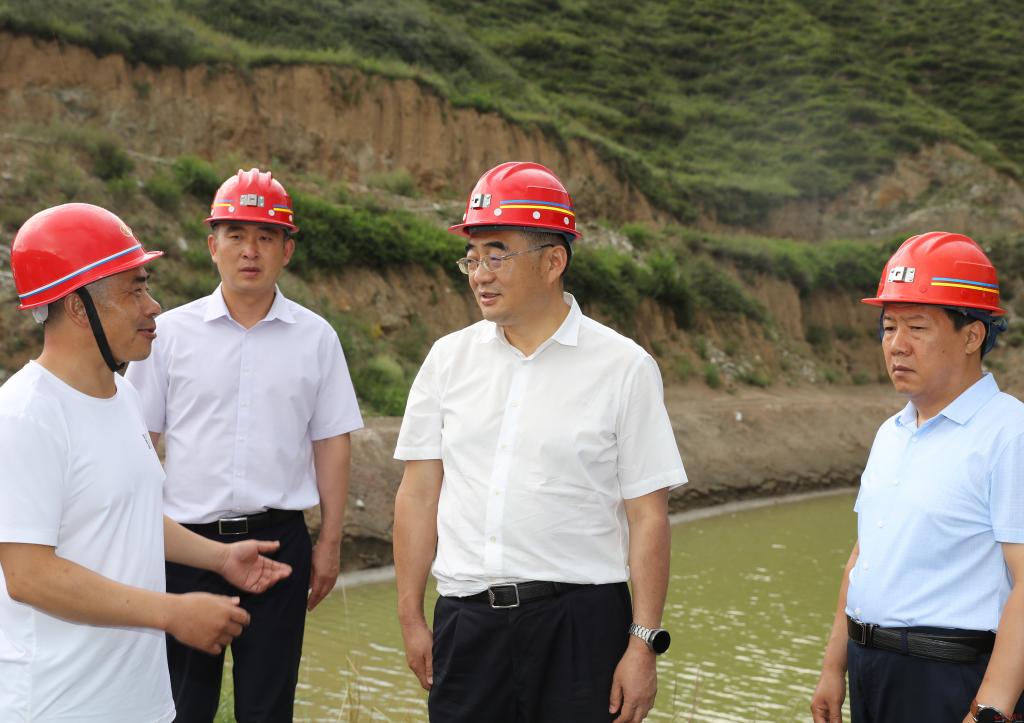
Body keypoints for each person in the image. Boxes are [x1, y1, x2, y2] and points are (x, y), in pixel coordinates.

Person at [392, 161, 686, 723]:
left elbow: (648, 516)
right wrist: (411, 617)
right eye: (472, 257)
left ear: (553, 262)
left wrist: (642, 643)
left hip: (580, 628)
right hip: (467, 626)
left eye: (497, 255)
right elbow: (417, 494)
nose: (480, 274)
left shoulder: (624, 367)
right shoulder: (447, 360)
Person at [0, 203, 291, 722]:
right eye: (134, 290)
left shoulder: (124, 397)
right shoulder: (26, 415)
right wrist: (172, 612)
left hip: (141, 702)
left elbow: (126, 515)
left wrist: (220, 558)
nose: (153, 306)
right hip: (57, 706)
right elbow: (28, 574)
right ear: (77, 307)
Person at [125, 169, 363, 722]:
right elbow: (139, 442)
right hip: (185, 546)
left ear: (287, 250)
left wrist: (329, 542)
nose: (249, 251)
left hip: (279, 547)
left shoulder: (316, 338)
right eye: (235, 235)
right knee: (182, 707)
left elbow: (332, 442)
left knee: (268, 707)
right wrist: (134, 537)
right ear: (213, 246)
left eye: (265, 237)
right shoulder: (169, 334)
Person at [810, 231, 1024, 723]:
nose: (896, 345)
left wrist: (990, 709)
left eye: (917, 328)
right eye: (888, 327)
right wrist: (833, 667)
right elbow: (863, 556)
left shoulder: (1009, 434)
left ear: (972, 336)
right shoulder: (892, 432)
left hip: (951, 680)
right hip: (870, 672)